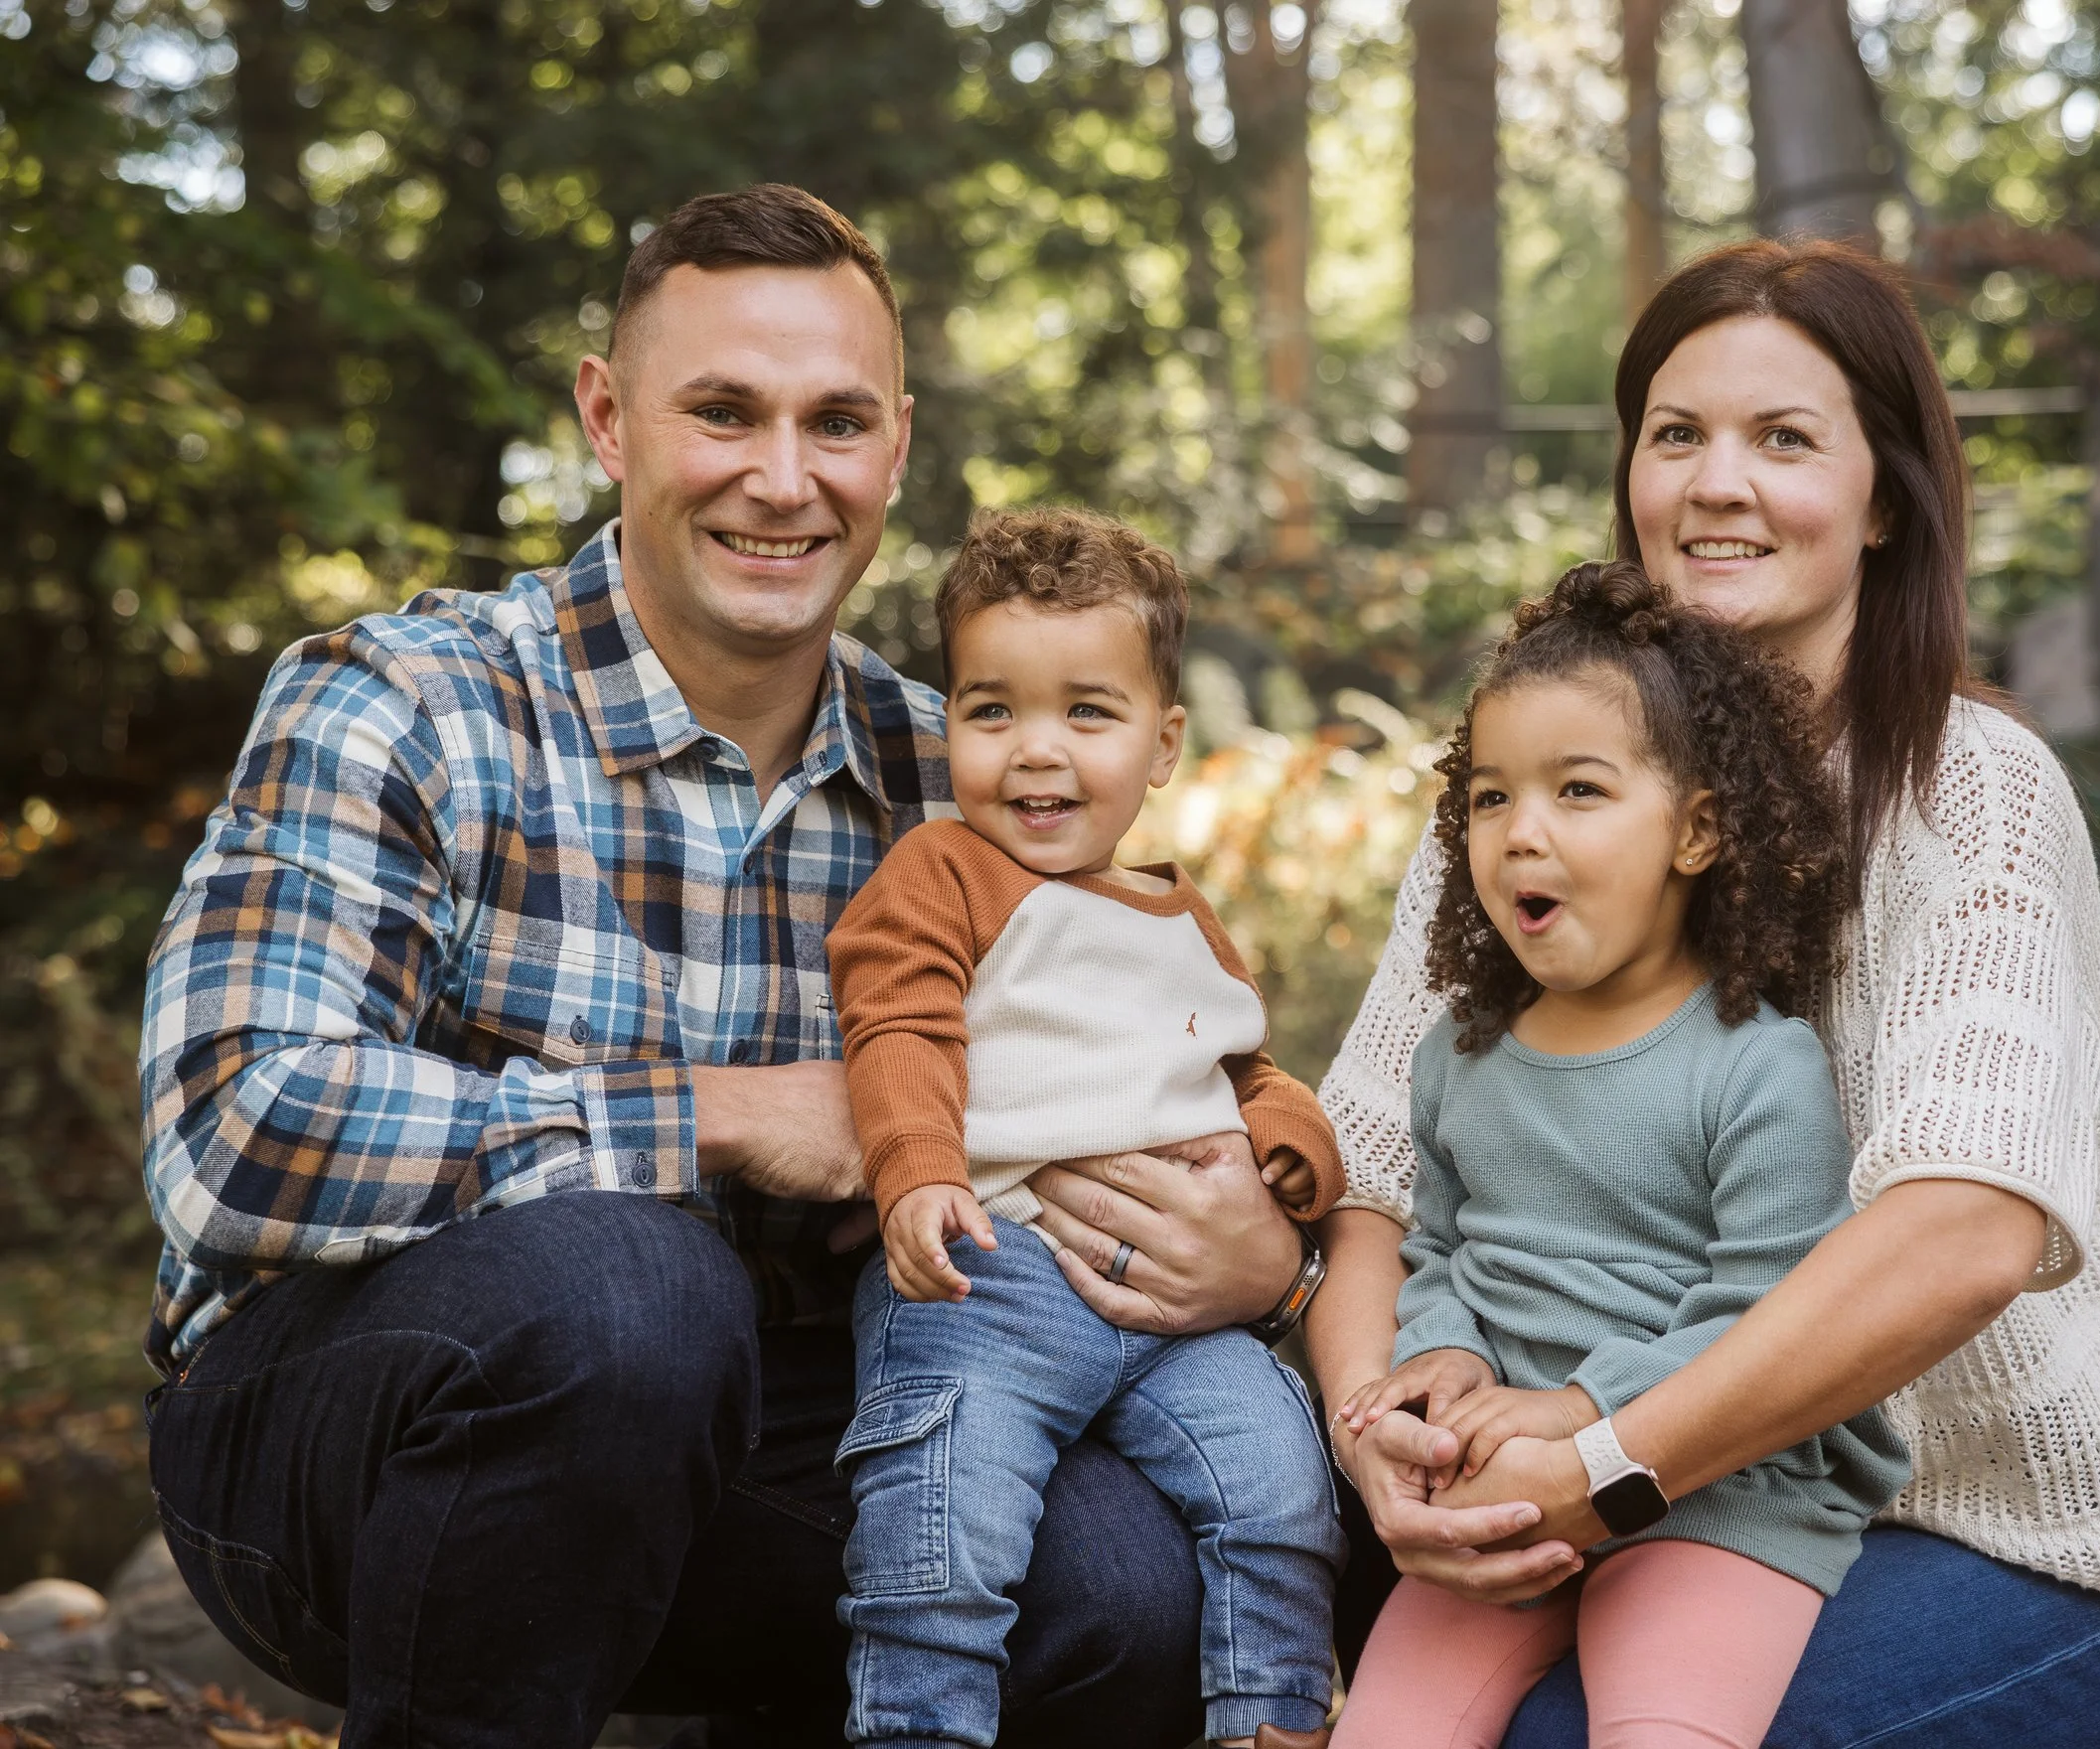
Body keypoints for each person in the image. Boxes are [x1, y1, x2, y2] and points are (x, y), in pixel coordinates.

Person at [136, 184, 1308, 1749]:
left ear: (896, 444)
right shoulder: (408, 702)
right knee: (634, 1286)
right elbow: (232, 1135)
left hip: (768, 1426)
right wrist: (721, 1112)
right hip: (339, 1445)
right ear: (610, 419)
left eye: (835, 422)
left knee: (1118, 1582)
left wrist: (1261, 1257)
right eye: (722, 412)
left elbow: (1143, 1077)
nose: (783, 478)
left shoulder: (956, 772)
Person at [1308, 238, 2100, 1749]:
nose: (1716, 484)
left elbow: (1964, 1233)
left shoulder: (1972, 798)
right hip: (1622, 1495)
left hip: (2022, 1539)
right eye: (1677, 433)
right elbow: (1371, 1166)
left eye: (1785, 439)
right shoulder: (1540, 796)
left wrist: (1607, 1463)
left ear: (1885, 497)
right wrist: (1373, 1427)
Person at [1326, 562, 1908, 1749]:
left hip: (1717, 1493)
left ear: (1694, 829)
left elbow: (1767, 1311)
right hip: (1501, 1483)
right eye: (1490, 799)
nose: (1520, 832)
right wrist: (1438, 1354)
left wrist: (1581, 1413)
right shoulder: (1461, 1054)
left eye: (1577, 791)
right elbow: (1436, 1249)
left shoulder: (1755, 1066)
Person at [827, 506, 1347, 1749]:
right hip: (990, 1276)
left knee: (1279, 1488)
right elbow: (894, 1021)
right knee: (942, 1528)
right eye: (992, 710)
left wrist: (1293, 1146)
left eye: (1088, 713)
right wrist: (915, 1176)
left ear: (1163, 744)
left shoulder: (1183, 914)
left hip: (1181, 1317)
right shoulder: (943, 871)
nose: (1035, 753)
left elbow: (1242, 1065)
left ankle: (1272, 1715)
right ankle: (918, 1725)